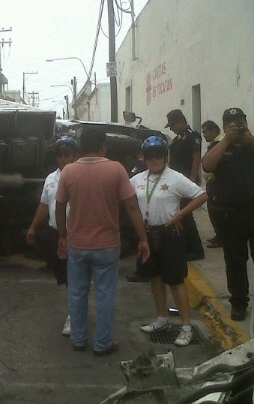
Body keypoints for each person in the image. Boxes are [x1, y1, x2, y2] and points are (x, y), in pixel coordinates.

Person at [55, 127, 150, 356]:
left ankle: (78, 340)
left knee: (77, 293)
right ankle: (102, 344)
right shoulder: (116, 169)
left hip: (77, 244)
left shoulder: (68, 172)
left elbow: (59, 206)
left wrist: (62, 236)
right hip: (107, 245)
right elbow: (131, 206)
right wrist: (143, 238)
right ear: (103, 146)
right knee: (105, 295)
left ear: (80, 147)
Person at [201, 108, 254, 321]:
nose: (237, 126)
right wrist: (226, 140)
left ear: (246, 122)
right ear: (225, 126)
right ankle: (238, 303)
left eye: (240, 122)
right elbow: (206, 165)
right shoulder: (218, 146)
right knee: (235, 260)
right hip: (231, 215)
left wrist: (251, 139)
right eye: (232, 123)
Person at [132, 136, 208, 346]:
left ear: (165, 157)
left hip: (169, 234)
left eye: (158, 155)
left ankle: (186, 326)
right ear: (144, 158)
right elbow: (125, 198)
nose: (154, 160)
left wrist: (180, 215)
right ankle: (162, 319)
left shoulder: (175, 178)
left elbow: (202, 196)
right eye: (150, 156)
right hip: (148, 235)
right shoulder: (138, 179)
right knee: (155, 278)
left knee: (175, 281)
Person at [26, 136, 79, 336]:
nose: (63, 158)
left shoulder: (81, 176)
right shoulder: (50, 179)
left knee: (76, 277)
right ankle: (76, 310)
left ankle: (74, 316)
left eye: (67, 154)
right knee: (65, 276)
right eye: (60, 155)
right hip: (56, 235)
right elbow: (44, 204)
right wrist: (33, 226)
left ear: (75, 155)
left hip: (77, 236)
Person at [165, 109, 205, 261]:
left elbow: (196, 158)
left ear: (180, 122)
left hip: (186, 182)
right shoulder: (178, 139)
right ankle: (187, 247)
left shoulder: (192, 136)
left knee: (186, 215)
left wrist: (192, 180)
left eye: (172, 125)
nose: (171, 129)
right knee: (181, 214)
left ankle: (196, 250)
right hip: (177, 182)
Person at [201, 120, 225, 248]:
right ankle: (219, 235)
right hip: (213, 183)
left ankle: (222, 237)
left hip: (218, 184)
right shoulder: (215, 143)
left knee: (216, 211)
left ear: (214, 131)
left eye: (205, 132)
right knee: (213, 210)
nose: (203, 135)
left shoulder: (220, 143)